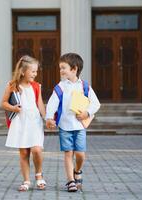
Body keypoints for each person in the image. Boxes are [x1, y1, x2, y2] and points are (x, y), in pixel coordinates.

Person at [46, 53, 100, 192]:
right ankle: (70, 180)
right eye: (60, 68)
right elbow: (52, 103)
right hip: (65, 125)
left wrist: (87, 113)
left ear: (74, 69)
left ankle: (78, 171)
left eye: (63, 67)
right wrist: (49, 117)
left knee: (80, 154)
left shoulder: (85, 86)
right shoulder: (60, 86)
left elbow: (96, 103)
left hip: (80, 126)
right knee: (68, 153)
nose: (61, 71)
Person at [1, 55, 46, 191]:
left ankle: (39, 175)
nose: (35, 74)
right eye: (32, 71)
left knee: (37, 150)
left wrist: (47, 118)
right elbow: (3, 103)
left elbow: (40, 104)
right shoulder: (12, 85)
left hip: (34, 122)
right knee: (24, 153)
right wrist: (13, 108)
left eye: (36, 71)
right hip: (20, 122)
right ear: (22, 71)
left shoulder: (36, 86)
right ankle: (26, 180)